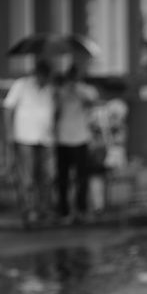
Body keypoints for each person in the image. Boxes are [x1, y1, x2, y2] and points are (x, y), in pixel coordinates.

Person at [4, 59, 55, 226]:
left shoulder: (50, 89)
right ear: (38, 74)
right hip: (25, 137)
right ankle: (29, 209)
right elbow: (8, 108)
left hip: (45, 139)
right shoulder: (21, 85)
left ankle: (43, 209)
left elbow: (56, 110)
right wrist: (9, 132)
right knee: (28, 176)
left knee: (45, 176)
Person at [54, 64, 98, 224]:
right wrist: (64, 91)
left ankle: (81, 209)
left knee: (82, 178)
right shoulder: (60, 91)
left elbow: (92, 103)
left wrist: (77, 91)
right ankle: (64, 210)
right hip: (62, 139)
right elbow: (55, 110)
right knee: (63, 178)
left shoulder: (86, 91)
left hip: (81, 138)